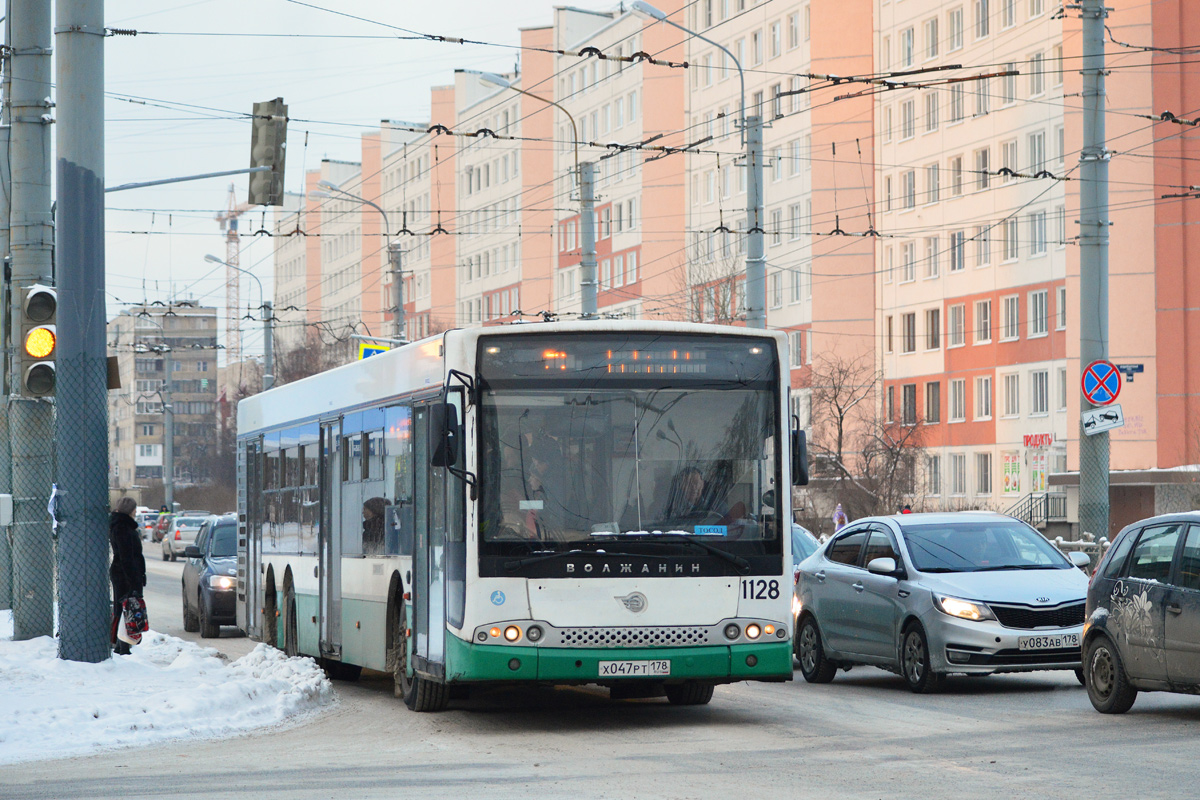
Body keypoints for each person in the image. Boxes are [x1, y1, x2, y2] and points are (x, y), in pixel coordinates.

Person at [109, 496, 146, 655]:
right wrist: (134, 580)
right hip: (125, 574)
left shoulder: (120, 525)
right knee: (125, 609)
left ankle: (121, 644)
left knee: (124, 608)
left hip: (123, 572)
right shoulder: (122, 528)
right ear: (130, 510)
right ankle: (121, 645)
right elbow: (127, 557)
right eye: (134, 509)